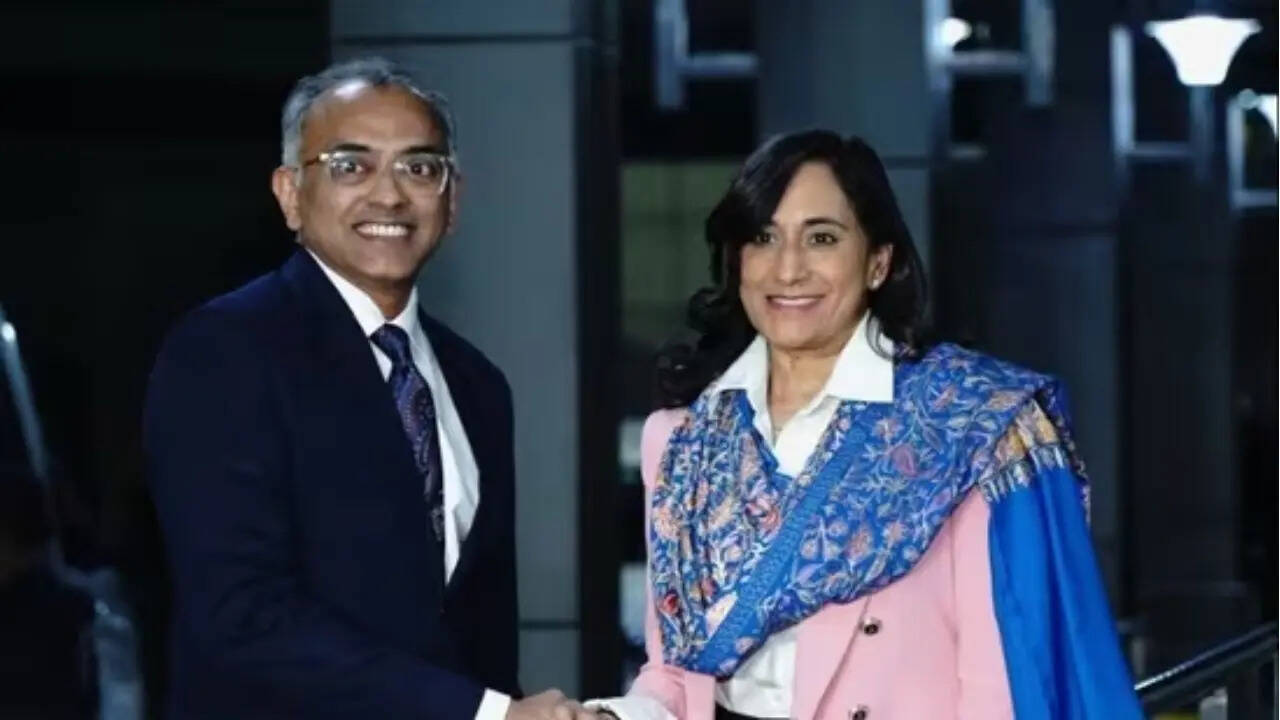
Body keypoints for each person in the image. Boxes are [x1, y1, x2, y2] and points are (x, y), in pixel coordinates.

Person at [589, 131, 1143, 720]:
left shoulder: (963, 425)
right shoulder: (684, 443)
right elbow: (674, 675)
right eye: (763, 238)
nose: (788, 268)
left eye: (822, 238)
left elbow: (994, 688)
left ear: (878, 262)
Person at [145, 58, 588, 720]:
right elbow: (241, 614)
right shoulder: (225, 351)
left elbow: (479, 637)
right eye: (351, 166)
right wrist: (483, 713)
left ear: (452, 200)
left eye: (420, 168)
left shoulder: (478, 385)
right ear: (290, 193)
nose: (389, 196)